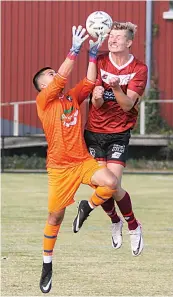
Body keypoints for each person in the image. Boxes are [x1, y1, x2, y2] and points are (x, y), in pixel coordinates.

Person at [33, 25, 118, 294]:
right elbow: (61, 77)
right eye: (49, 75)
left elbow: (90, 83)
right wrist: (74, 50)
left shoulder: (70, 97)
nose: (55, 76)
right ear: (44, 86)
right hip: (59, 168)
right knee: (55, 217)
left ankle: (87, 206)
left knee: (111, 183)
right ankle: (47, 265)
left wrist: (93, 54)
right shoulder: (44, 101)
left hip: (82, 161)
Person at [84, 21, 148, 257]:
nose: (112, 40)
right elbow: (96, 102)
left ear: (129, 42)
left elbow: (128, 104)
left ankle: (133, 225)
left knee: (112, 184)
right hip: (94, 131)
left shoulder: (139, 68)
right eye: (111, 36)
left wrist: (116, 88)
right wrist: (98, 96)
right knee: (101, 185)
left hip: (119, 132)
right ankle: (115, 221)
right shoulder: (99, 61)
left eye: (118, 37)